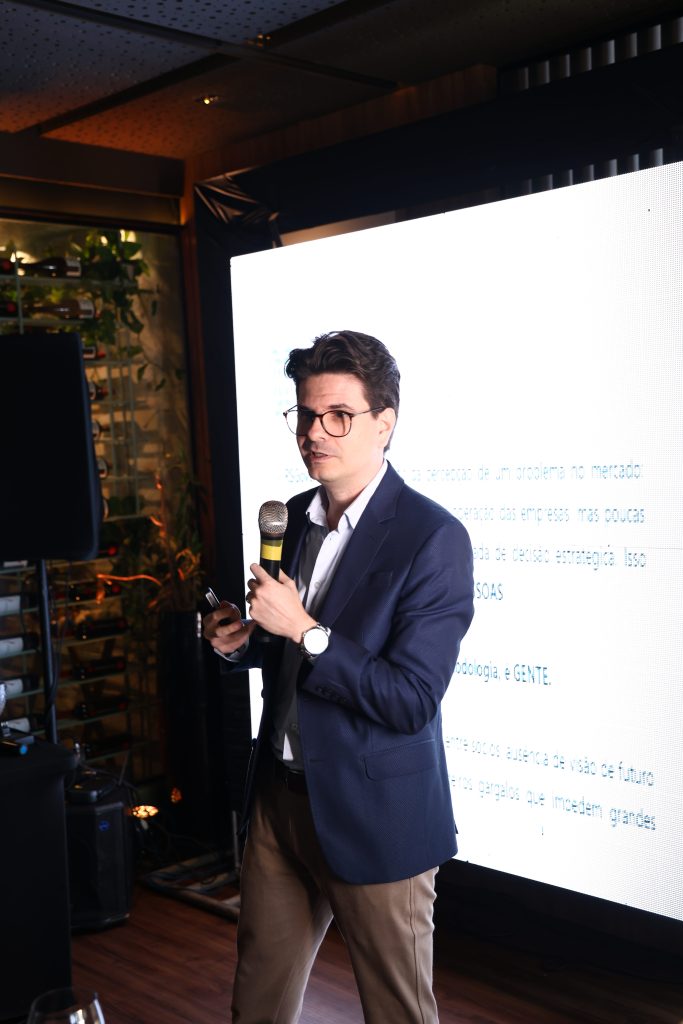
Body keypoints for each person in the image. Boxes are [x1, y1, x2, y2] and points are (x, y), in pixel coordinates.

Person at [203, 330, 474, 1024]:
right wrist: (243, 642)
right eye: (304, 414)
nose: (314, 433)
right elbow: (288, 654)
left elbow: (410, 700)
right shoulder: (293, 516)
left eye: (338, 416)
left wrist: (304, 628)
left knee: (397, 1012)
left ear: (385, 423)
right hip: (280, 802)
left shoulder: (432, 537)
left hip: (375, 813)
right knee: (254, 1006)